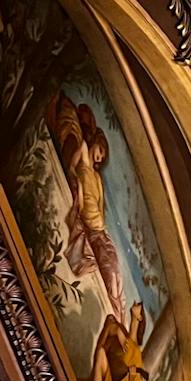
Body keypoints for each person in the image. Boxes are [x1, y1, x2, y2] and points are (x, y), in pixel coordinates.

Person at [48, 93, 126, 319]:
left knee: (116, 270)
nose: (99, 158)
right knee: (110, 273)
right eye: (99, 151)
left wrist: (100, 230)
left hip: (99, 231)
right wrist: (78, 190)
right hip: (92, 230)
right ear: (94, 145)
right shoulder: (83, 151)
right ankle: (117, 315)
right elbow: (70, 168)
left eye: (102, 156)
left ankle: (119, 314)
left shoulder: (98, 178)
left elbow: (100, 206)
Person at [82, 302, 148, 381]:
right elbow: (102, 342)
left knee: (101, 355)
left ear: (139, 318)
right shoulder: (121, 331)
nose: (135, 303)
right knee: (101, 354)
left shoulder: (136, 355)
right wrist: (117, 331)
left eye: (139, 305)